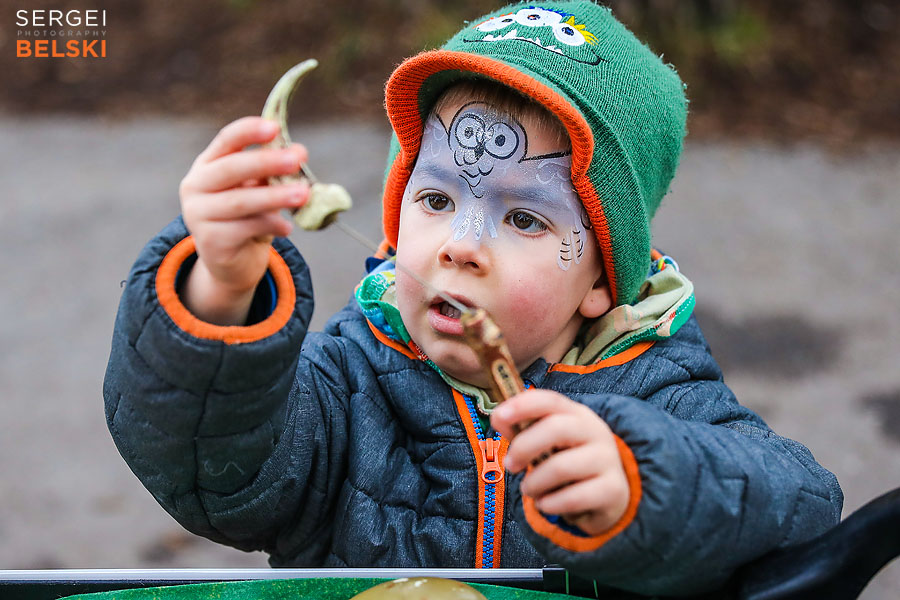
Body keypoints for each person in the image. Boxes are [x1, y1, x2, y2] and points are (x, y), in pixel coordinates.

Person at [104, 1, 842, 596]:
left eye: (524, 218)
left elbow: (802, 508)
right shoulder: (349, 382)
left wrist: (646, 485)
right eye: (434, 198)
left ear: (600, 282)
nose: (460, 243)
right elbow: (210, 467)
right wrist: (220, 290)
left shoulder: (659, 393)